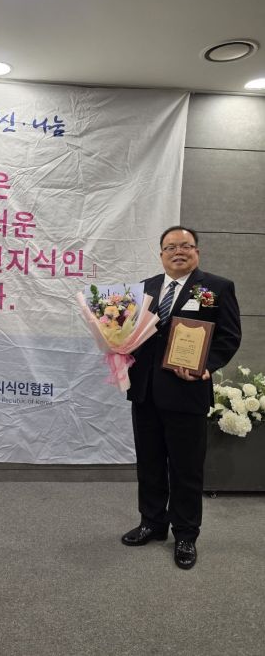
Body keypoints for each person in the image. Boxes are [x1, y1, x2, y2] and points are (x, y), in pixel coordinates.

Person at [122, 226, 241, 569]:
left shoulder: (214, 288)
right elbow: (129, 332)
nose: (178, 251)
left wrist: (206, 366)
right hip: (145, 392)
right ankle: (152, 522)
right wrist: (117, 345)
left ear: (196, 252)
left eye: (185, 246)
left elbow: (228, 336)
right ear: (161, 254)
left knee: (186, 468)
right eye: (170, 247)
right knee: (150, 463)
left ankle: (186, 534)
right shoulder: (144, 288)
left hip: (187, 391)